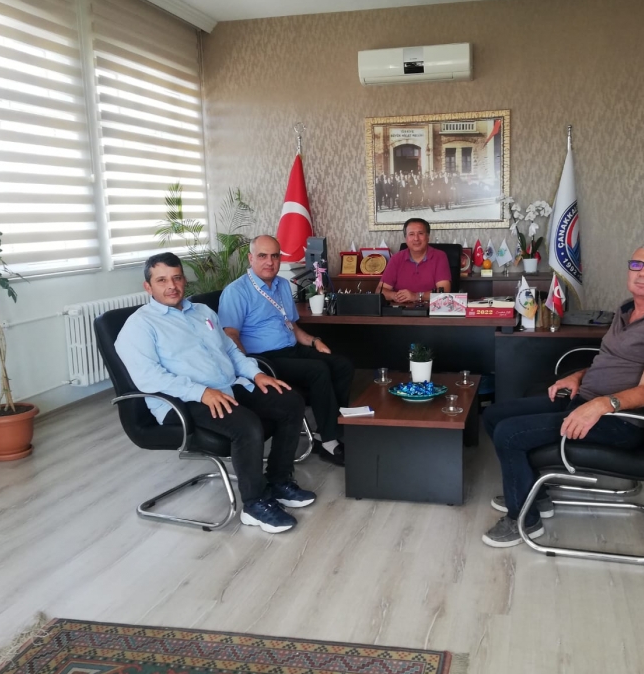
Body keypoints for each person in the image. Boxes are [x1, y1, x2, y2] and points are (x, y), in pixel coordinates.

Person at [481, 242, 644, 548]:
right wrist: (578, 376)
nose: (643, 273)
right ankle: (531, 494)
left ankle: (524, 520)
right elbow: (611, 360)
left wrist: (599, 405)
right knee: (493, 414)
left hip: (620, 420)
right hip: (586, 398)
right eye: (636, 265)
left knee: (509, 433)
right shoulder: (628, 308)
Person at [115, 252, 314, 535]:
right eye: (161, 280)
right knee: (246, 425)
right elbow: (149, 377)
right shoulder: (139, 326)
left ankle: (279, 481)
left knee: (290, 401)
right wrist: (201, 392)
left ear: (184, 280)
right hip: (181, 401)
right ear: (148, 287)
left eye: (176, 278)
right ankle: (255, 504)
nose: (171, 286)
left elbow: (230, 350)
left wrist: (255, 374)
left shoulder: (202, 312)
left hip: (226, 387)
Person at [217, 235, 354, 467]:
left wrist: (314, 341)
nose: (269, 262)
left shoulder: (281, 284)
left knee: (342, 365)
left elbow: (292, 325)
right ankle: (329, 443)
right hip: (264, 359)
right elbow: (230, 335)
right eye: (262, 256)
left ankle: (332, 429)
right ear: (251, 258)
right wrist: (249, 369)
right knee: (318, 370)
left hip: (291, 349)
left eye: (275, 256)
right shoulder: (236, 291)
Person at [378, 218, 452, 304]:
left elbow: (444, 291)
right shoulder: (396, 258)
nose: (416, 238)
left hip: (430, 309)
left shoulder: (439, 256)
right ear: (406, 238)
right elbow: (380, 290)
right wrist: (395, 296)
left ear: (428, 237)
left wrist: (416, 296)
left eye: (420, 233)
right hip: (401, 308)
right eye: (411, 234)